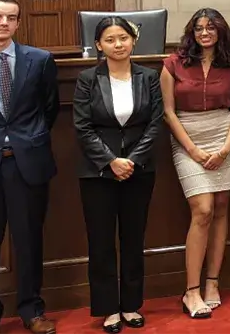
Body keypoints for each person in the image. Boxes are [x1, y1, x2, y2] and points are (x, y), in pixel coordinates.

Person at [0, 0, 60, 334]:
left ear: (18, 23)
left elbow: (49, 109)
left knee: (29, 242)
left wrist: (25, 139)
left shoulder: (40, 60)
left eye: (11, 18)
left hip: (27, 163)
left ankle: (32, 310)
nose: (3, 23)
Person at [73, 17, 162, 332]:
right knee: (101, 242)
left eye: (123, 38)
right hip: (97, 172)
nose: (118, 44)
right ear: (99, 45)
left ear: (133, 41)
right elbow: (82, 127)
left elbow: (155, 123)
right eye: (110, 39)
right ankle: (108, 308)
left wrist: (133, 160)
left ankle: (131, 305)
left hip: (139, 170)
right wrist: (111, 160)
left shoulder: (148, 76)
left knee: (133, 239)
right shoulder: (87, 78)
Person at [161, 8, 230, 318]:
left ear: (220, 31)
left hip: (224, 139)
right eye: (198, 28)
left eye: (210, 28)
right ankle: (191, 291)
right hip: (188, 139)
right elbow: (169, 112)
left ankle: (213, 282)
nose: (204, 33)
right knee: (203, 210)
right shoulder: (173, 64)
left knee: (221, 207)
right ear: (191, 32)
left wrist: (225, 149)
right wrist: (193, 151)